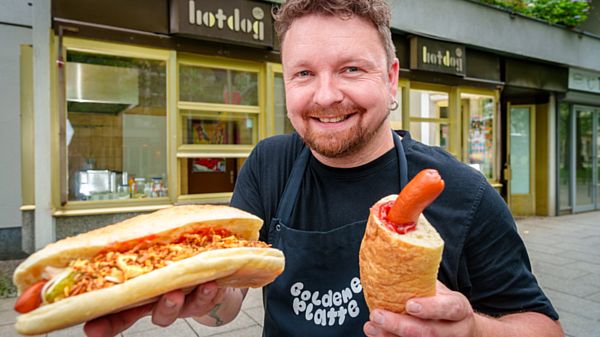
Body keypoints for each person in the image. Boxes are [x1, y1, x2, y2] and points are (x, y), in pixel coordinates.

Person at [84, 1, 564, 336]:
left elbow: (545, 327)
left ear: (391, 78)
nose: (326, 95)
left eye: (352, 69)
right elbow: (230, 300)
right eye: (304, 73)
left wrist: (474, 331)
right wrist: (201, 296)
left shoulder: (464, 191)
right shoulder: (269, 163)